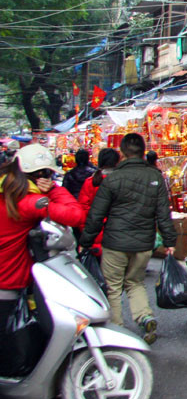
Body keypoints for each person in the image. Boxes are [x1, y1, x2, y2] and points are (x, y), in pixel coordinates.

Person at [79, 133, 176, 344]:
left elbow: (96, 214)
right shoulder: (155, 177)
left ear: (121, 154)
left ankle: (116, 330)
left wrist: (85, 241)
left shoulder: (113, 178)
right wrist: (170, 241)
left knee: (113, 286)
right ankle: (145, 316)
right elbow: (163, 213)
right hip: (143, 243)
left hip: (114, 242)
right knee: (135, 282)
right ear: (143, 152)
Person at [1, 145, 87, 327]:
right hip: (8, 280)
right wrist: (53, 190)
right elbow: (76, 215)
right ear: (39, 176)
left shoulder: (8, 192)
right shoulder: (29, 202)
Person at [76, 148, 121, 257]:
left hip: (95, 234)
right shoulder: (123, 182)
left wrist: (86, 233)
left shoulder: (91, 182)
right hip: (119, 235)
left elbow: (84, 209)